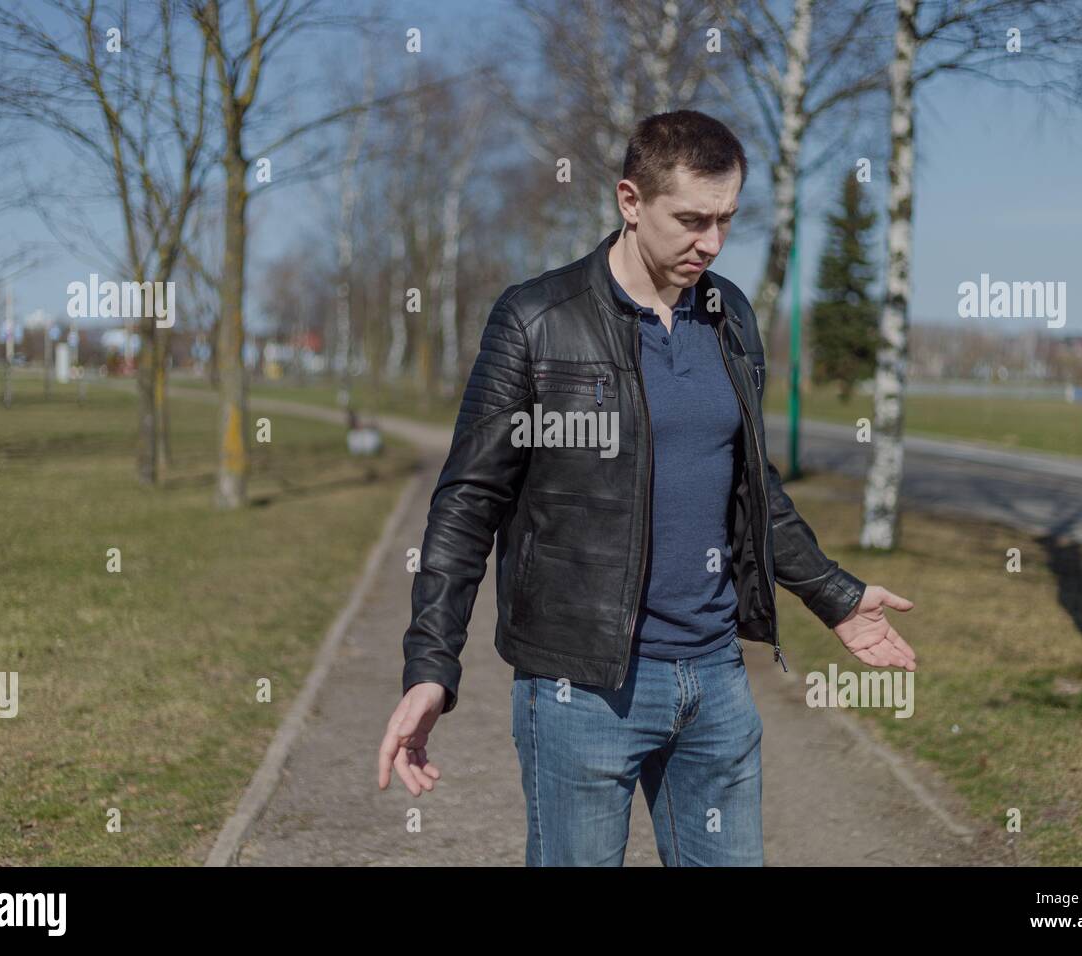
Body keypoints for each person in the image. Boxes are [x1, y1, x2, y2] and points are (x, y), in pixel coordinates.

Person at [377, 109, 916, 866]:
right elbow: (469, 502)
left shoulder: (731, 318)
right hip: (581, 691)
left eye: (727, 219)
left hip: (716, 685)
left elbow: (750, 485)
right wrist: (431, 667)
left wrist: (834, 596)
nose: (713, 243)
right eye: (692, 220)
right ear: (631, 201)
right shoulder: (537, 320)